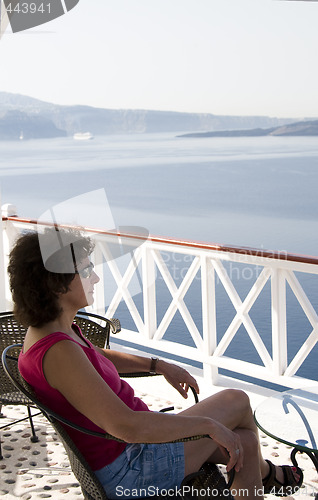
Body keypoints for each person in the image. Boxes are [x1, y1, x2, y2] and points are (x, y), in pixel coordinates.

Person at [7, 227, 303, 499]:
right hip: (130, 467)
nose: (96, 278)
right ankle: (268, 476)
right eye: (86, 271)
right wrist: (209, 426)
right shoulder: (58, 352)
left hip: (131, 450)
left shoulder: (52, 331)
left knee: (246, 445)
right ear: (56, 284)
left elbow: (95, 359)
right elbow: (127, 426)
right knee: (237, 401)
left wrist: (158, 365)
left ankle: (266, 476)